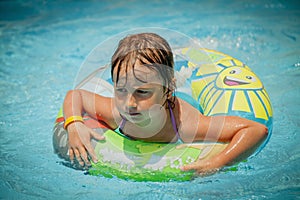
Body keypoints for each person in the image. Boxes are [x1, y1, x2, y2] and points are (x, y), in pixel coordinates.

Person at [59, 32, 268, 175]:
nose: (129, 103)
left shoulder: (186, 125)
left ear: (168, 90)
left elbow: (256, 130)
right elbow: (76, 95)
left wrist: (217, 163)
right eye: (121, 89)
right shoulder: (117, 112)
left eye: (142, 92)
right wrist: (75, 123)